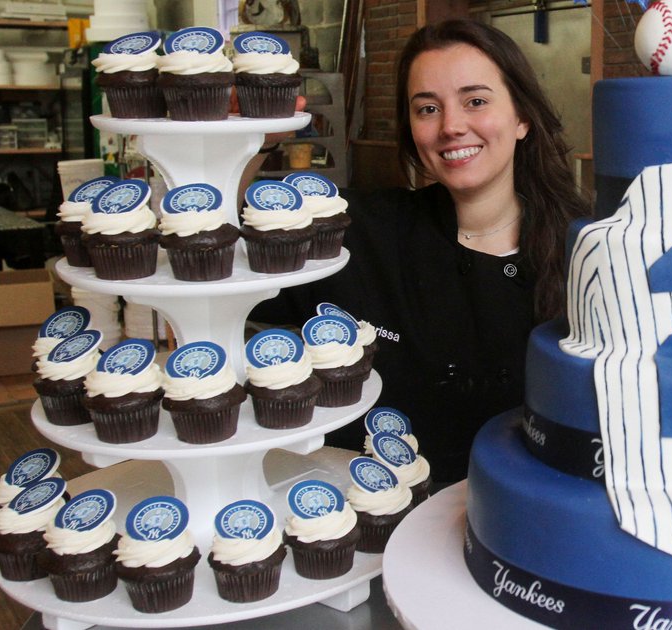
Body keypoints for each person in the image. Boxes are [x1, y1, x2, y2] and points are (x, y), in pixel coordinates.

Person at [249, 19, 590, 483]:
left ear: (522, 117)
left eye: (476, 101)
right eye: (427, 109)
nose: (451, 126)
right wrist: (251, 142)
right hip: (369, 528)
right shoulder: (358, 230)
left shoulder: (587, 251)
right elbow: (226, 264)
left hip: (517, 524)